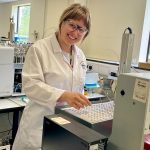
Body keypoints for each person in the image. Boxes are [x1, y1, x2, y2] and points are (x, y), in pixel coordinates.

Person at [12, 3, 91, 150]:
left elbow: (77, 87)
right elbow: (31, 86)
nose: (75, 32)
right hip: (38, 126)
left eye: (81, 29)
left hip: (66, 126)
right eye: (72, 25)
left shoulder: (80, 56)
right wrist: (64, 95)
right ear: (62, 22)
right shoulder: (39, 49)